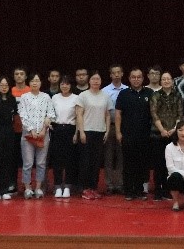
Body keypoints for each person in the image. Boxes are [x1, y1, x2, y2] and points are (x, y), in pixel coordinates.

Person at [115, 68, 155, 200]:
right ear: (129, 79)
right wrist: (118, 132)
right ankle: (128, 190)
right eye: (133, 77)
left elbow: (154, 114)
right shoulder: (123, 94)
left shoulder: (149, 93)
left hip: (145, 135)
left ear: (143, 79)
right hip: (127, 134)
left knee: (142, 163)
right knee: (128, 163)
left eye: (139, 77)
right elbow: (118, 114)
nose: (136, 79)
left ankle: (139, 190)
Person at [18, 73, 55, 198]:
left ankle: (38, 188)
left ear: (41, 83)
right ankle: (27, 188)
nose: (35, 83)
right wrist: (31, 130)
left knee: (41, 163)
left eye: (37, 80)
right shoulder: (24, 97)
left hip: (43, 134)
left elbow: (50, 114)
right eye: (33, 81)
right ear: (29, 83)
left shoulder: (46, 97)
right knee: (28, 163)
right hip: (28, 135)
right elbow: (23, 115)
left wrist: (44, 129)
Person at [76, 71, 111, 200]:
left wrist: (107, 131)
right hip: (87, 131)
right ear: (89, 81)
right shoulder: (83, 95)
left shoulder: (105, 96)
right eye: (93, 79)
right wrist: (81, 132)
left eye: (98, 79)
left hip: (100, 131)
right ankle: (85, 188)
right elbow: (79, 115)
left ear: (101, 81)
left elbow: (107, 115)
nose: (96, 81)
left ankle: (93, 188)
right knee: (85, 161)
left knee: (96, 163)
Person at [150, 72, 184, 200]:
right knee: (158, 163)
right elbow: (154, 114)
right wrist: (162, 130)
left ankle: (167, 189)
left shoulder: (177, 95)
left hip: (173, 134)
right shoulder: (156, 95)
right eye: (163, 79)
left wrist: (174, 129)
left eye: (168, 79)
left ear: (172, 81)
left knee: (170, 163)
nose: (166, 81)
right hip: (158, 134)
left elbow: (180, 114)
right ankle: (158, 190)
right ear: (161, 81)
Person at [49, 77, 79, 198]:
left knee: (69, 160)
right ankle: (57, 186)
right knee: (57, 159)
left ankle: (67, 186)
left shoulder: (76, 98)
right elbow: (50, 113)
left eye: (67, 84)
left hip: (70, 129)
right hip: (57, 130)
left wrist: (76, 133)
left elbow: (78, 117)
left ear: (70, 85)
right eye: (62, 84)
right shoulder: (55, 97)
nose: (64, 86)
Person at [102, 64, 128, 195]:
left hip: (124, 127)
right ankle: (110, 185)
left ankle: (121, 184)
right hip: (109, 126)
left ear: (122, 74)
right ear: (110, 75)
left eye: (119, 72)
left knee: (122, 156)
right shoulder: (104, 91)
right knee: (108, 156)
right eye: (114, 73)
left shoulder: (127, 89)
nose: (116, 75)